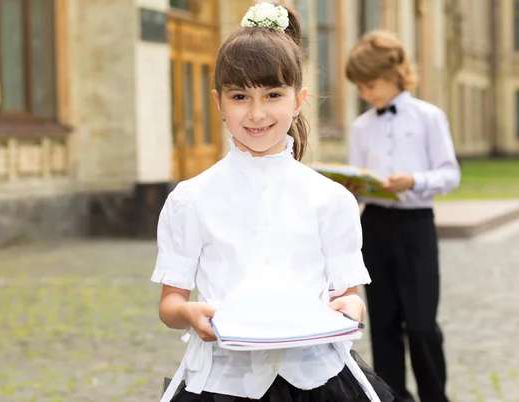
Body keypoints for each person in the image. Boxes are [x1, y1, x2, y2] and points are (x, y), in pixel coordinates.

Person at [151, 3, 394, 402]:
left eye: (273, 94)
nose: (257, 112)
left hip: (318, 377)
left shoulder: (330, 199)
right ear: (219, 102)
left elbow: (350, 295)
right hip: (223, 380)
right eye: (240, 96)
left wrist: (348, 311)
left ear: (298, 100)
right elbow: (171, 303)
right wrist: (190, 314)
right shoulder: (190, 199)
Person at [344, 30, 460, 402]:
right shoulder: (360, 127)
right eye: (359, 88)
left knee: (423, 324)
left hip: (416, 227)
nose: (365, 94)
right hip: (374, 227)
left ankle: (434, 396)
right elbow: (358, 178)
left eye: (370, 84)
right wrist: (352, 188)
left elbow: (450, 174)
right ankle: (393, 398)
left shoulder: (429, 117)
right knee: (383, 324)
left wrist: (414, 180)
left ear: (393, 73)